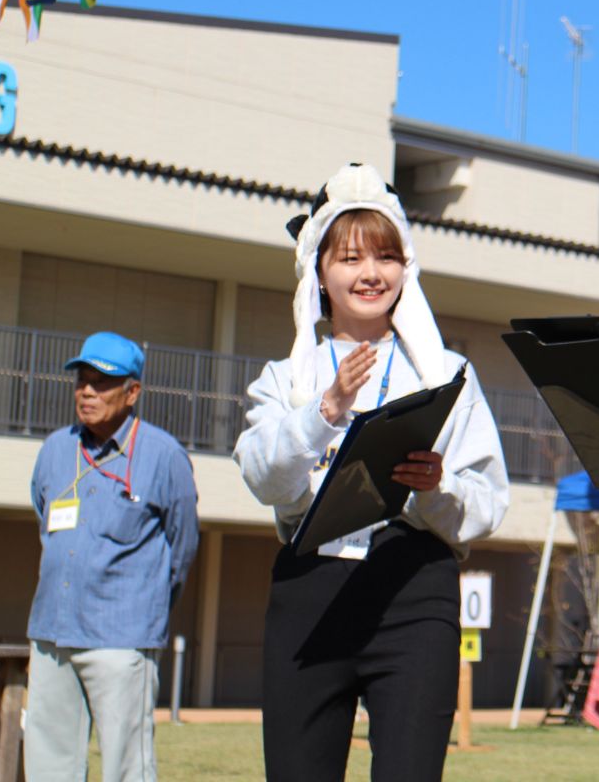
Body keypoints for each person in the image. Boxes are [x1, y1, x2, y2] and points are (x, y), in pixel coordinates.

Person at [234, 162, 509, 782]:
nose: (370, 274)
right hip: (310, 585)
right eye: (350, 258)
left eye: (386, 257)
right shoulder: (287, 378)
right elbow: (262, 479)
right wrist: (323, 412)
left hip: (414, 589)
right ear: (318, 274)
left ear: (405, 268)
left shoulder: (446, 374)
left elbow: (488, 504)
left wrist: (436, 487)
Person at [26, 331, 199, 782]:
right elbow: (44, 519)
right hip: (52, 633)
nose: (87, 391)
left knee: (127, 768)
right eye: (82, 380)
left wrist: (144, 605)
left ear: (132, 391)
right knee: (48, 765)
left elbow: (182, 548)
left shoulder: (163, 456)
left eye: (102, 382)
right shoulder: (55, 449)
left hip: (122, 637)